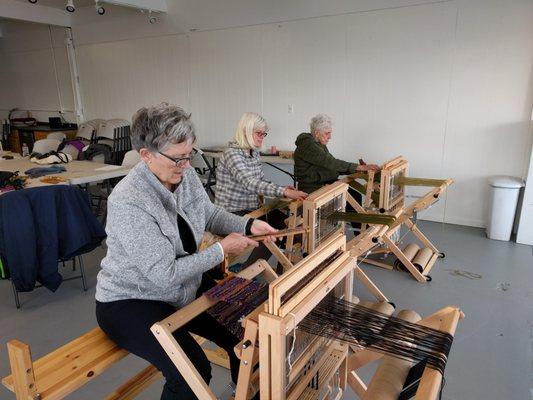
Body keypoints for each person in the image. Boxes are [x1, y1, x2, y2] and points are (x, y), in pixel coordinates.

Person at [95, 103, 277, 400]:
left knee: (247, 335)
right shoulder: (129, 201)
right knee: (191, 371)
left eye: (190, 155)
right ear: (146, 155)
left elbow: (209, 214)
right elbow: (163, 275)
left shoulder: (184, 174)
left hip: (183, 284)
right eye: (178, 159)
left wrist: (248, 225)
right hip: (132, 300)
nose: (187, 165)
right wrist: (221, 249)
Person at [215, 112, 307, 271]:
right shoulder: (232, 154)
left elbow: (260, 180)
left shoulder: (253, 153)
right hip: (231, 213)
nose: (262, 137)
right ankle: (247, 272)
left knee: (281, 225)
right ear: (245, 131)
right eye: (259, 133)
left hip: (250, 210)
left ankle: (256, 268)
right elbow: (250, 183)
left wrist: (283, 188)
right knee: (271, 233)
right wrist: (283, 192)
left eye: (264, 134)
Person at [294, 114, 380, 194]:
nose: (330, 137)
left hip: (323, 184)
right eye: (327, 133)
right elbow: (331, 163)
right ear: (317, 133)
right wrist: (359, 167)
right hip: (312, 189)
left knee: (355, 195)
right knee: (352, 198)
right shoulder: (307, 145)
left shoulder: (319, 144)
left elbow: (333, 166)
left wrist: (358, 169)